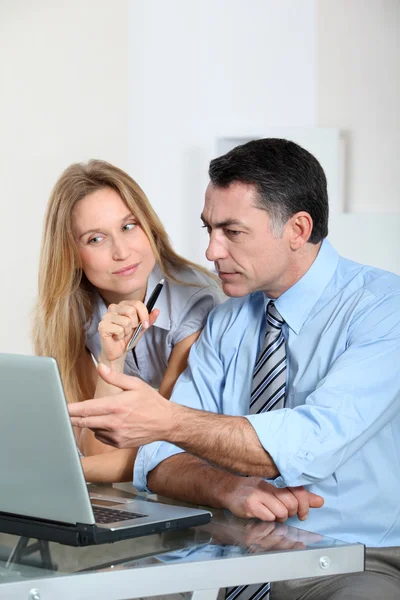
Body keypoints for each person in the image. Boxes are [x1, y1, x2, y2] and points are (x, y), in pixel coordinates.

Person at [69, 139, 400, 599]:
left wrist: (170, 422)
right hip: (232, 555)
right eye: (208, 229)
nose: (211, 252)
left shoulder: (384, 309)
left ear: (298, 229)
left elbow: (308, 445)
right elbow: (157, 460)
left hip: (354, 560)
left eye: (232, 232)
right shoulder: (227, 321)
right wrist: (228, 489)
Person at [33, 159, 225, 483]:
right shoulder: (69, 311)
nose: (121, 252)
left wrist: (54, 475)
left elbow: (164, 446)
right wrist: (112, 359)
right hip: (134, 487)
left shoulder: (198, 306)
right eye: (96, 239)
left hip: (197, 478)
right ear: (70, 253)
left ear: (148, 225)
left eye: (128, 226)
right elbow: (98, 449)